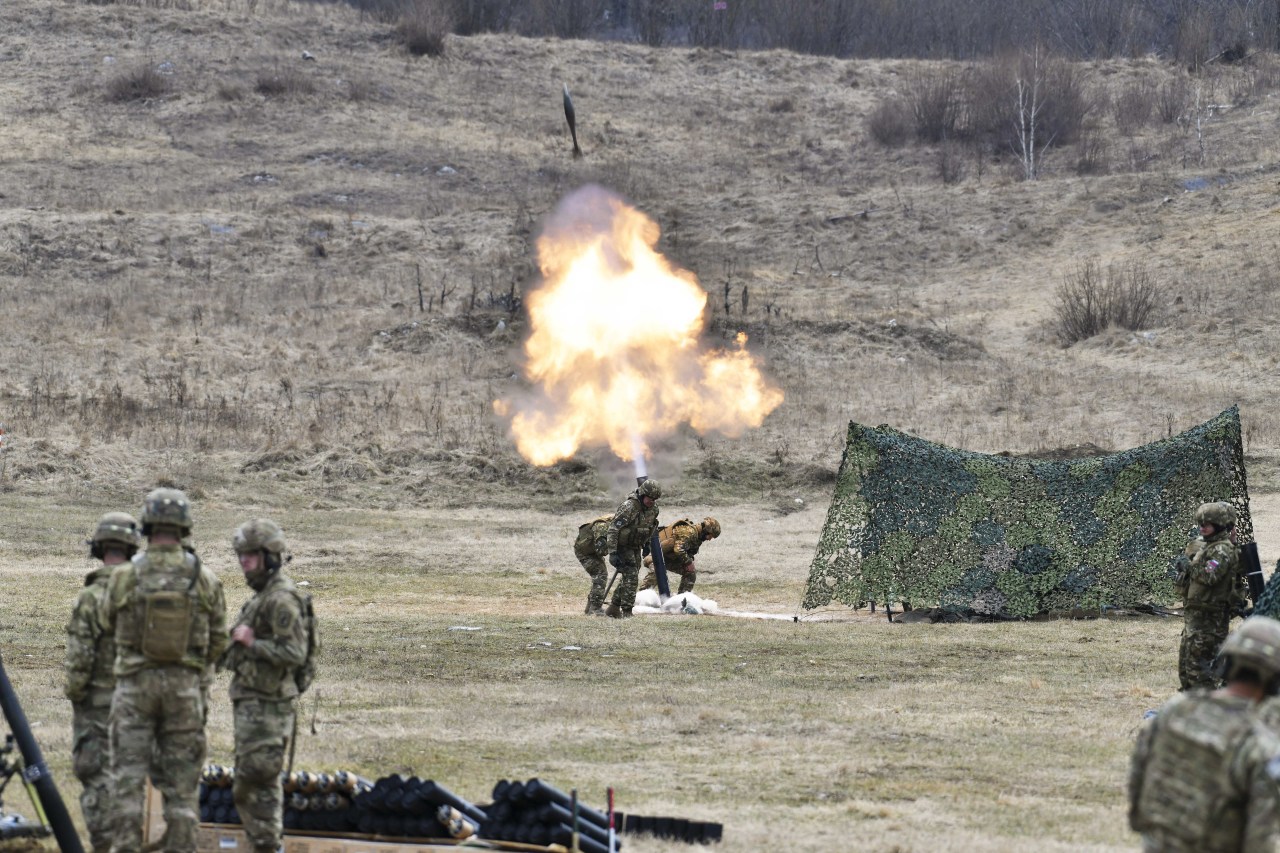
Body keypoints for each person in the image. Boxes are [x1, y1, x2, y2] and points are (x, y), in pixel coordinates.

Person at [101, 487, 227, 853]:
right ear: (184, 527)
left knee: (127, 782)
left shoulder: (126, 575)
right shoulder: (204, 577)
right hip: (184, 690)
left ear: (148, 524)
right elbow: (219, 638)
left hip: (134, 690)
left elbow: (107, 622)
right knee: (182, 788)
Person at [1129, 616, 1280, 851]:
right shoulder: (1258, 745)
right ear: (1274, 679)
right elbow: (1259, 839)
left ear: (1226, 662)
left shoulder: (1175, 710)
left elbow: (1138, 775)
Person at [222, 519, 317, 853]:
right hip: (255, 704)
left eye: (250, 555)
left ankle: (266, 847)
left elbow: (294, 652)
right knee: (252, 785)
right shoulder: (263, 596)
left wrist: (252, 644)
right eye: (241, 555)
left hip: (267, 706)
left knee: (257, 785)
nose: (243, 562)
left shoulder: (280, 600)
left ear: (270, 556)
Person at [65, 512, 140, 852]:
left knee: (98, 777)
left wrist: (76, 693)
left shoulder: (92, 596)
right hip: (142, 700)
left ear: (98, 548)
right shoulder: (147, 593)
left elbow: (80, 658)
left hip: (99, 701)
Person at [1176, 501, 1245, 690]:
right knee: (1187, 671)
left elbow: (1209, 575)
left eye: (1208, 524)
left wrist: (1190, 565)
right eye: (1201, 523)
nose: (1202, 528)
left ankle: (1208, 710)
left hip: (1209, 621)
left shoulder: (1222, 550)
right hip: (1196, 619)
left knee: (1201, 674)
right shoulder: (1207, 546)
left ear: (1221, 524)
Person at [605, 479, 661, 619]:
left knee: (629, 576)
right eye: (649, 498)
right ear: (642, 494)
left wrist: (647, 544)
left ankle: (613, 607)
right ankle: (627, 611)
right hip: (622, 547)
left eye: (654, 499)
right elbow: (613, 529)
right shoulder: (629, 507)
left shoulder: (654, 509)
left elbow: (651, 527)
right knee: (631, 577)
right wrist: (612, 552)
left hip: (636, 546)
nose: (652, 501)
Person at [640, 516, 721, 596]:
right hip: (654, 556)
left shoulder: (697, 537)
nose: (709, 539)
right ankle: (642, 597)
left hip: (666, 558)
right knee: (657, 572)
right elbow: (678, 549)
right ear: (706, 530)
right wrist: (688, 562)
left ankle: (682, 598)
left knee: (690, 573)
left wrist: (689, 562)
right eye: (710, 535)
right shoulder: (689, 532)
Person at [574, 514, 613, 616]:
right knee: (600, 575)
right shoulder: (602, 527)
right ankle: (596, 608)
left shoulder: (610, 525)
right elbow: (602, 550)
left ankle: (589, 609)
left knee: (600, 575)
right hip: (584, 553)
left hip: (592, 552)